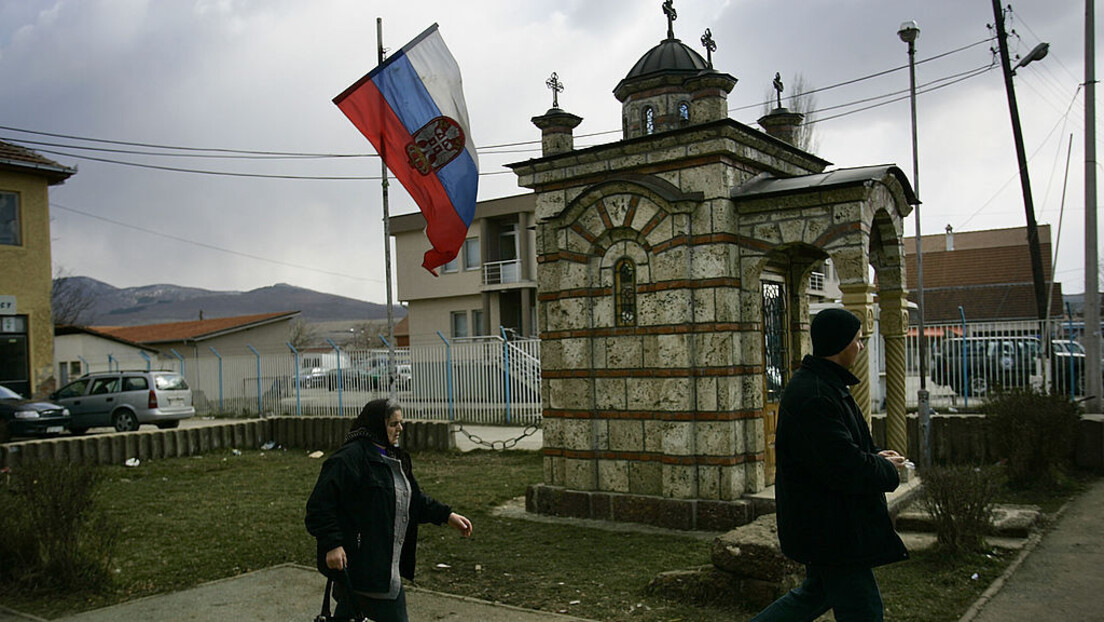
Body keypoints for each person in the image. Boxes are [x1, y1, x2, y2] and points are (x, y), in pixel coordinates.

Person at [751, 308, 909, 622]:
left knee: (815, 595)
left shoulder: (827, 386)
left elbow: (845, 449)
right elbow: (844, 467)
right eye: (858, 340)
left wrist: (876, 457)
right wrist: (888, 471)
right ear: (840, 344)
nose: (861, 347)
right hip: (833, 528)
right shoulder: (816, 395)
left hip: (828, 524)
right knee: (864, 611)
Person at [306, 398, 472, 622]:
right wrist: (332, 544)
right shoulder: (350, 459)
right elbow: (320, 504)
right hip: (364, 565)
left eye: (400, 423)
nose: (400, 429)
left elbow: (412, 499)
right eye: (393, 424)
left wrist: (447, 515)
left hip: (383, 564)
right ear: (377, 425)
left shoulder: (394, 457)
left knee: (349, 613)